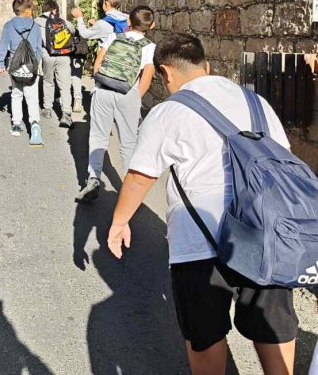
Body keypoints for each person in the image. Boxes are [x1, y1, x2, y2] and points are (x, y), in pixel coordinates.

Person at [107, 34, 298, 375]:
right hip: (264, 233)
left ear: (165, 73)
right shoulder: (256, 102)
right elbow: (284, 158)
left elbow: (139, 176)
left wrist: (119, 222)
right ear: (206, 66)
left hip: (199, 244)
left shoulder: (167, 113)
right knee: (272, 323)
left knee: (205, 333)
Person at [76, 5, 155, 203]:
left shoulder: (113, 37)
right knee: (128, 142)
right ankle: (129, 190)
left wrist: (100, 84)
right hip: (128, 94)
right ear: (151, 25)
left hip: (103, 90)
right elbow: (146, 77)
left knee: (98, 137)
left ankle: (93, 179)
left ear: (128, 21)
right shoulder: (149, 47)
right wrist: (134, 98)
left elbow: (98, 65)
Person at [0, 0, 44, 147]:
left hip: (15, 65)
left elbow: (3, 46)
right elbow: (39, 48)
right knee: (32, 97)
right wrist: (35, 62)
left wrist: (1, 63)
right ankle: (34, 125)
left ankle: (16, 124)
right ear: (28, 10)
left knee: (16, 94)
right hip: (31, 65)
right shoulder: (35, 26)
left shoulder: (8, 26)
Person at [35, 0, 76, 128]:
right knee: (65, 84)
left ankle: (47, 109)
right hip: (64, 55)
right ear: (55, 10)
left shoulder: (37, 21)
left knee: (48, 82)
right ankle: (66, 114)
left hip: (47, 55)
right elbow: (73, 30)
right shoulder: (62, 20)